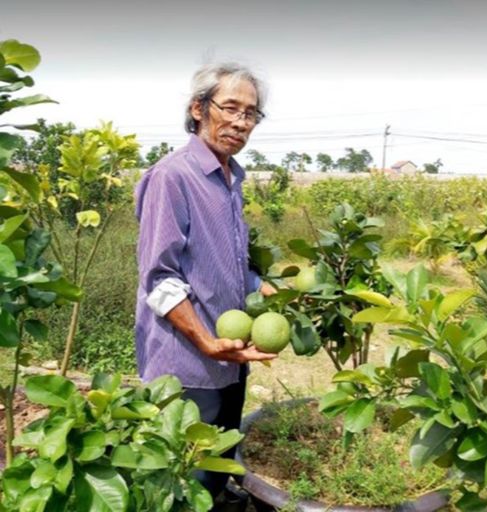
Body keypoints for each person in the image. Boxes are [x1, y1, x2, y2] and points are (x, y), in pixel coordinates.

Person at [134, 62, 277, 505]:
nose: (239, 122)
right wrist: (205, 341)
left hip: (230, 356)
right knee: (186, 479)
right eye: (229, 107)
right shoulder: (173, 176)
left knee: (216, 468)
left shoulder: (232, 179)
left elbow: (228, 262)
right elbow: (159, 278)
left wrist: (263, 286)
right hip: (189, 363)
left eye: (250, 113)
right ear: (198, 109)